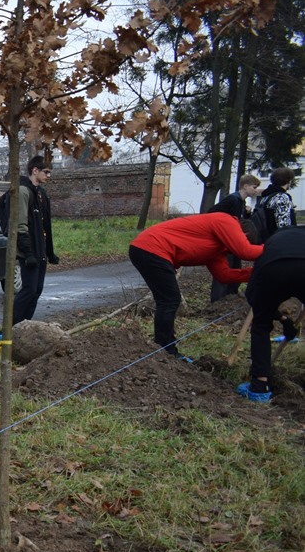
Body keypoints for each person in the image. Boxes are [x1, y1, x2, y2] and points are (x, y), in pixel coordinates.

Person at [129, 212, 263, 358]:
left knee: (168, 300)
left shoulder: (216, 249)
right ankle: (165, 349)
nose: (232, 251)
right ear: (243, 233)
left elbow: (224, 275)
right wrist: (271, 248)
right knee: (169, 300)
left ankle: (165, 348)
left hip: (147, 249)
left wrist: (256, 273)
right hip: (153, 247)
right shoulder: (225, 220)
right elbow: (245, 251)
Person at [236, 226, 305, 403]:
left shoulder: (273, 241)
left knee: (260, 326)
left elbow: (256, 301)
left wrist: (274, 317)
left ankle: (260, 386)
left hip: (272, 268)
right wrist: (285, 320)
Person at [0, 155, 59, 341]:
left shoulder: (40, 193)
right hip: (28, 251)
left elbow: (45, 225)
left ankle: (22, 328)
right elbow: (20, 225)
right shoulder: (23, 191)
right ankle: (6, 331)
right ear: (35, 171)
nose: (49, 176)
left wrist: (49, 252)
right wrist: (28, 253)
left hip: (40, 251)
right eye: (46, 172)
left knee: (37, 290)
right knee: (28, 290)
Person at [208, 173, 260, 302]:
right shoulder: (232, 199)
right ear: (246, 186)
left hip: (235, 239)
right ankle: (218, 299)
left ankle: (231, 295)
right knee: (225, 268)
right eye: (254, 187)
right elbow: (212, 212)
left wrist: (246, 214)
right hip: (227, 240)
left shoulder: (241, 202)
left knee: (236, 266)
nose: (255, 190)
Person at [254, 167, 298, 239]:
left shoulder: (265, 197)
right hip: (279, 241)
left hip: (266, 240)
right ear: (288, 181)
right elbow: (284, 226)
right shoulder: (282, 197)